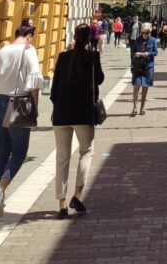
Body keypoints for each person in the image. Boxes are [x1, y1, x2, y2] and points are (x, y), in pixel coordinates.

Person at [0, 22, 44, 216]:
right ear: (29, 35)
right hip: (19, 102)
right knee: (19, 153)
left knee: (2, 152)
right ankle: (1, 188)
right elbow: (35, 82)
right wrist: (35, 107)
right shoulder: (29, 51)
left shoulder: (0, 52)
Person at [51, 24, 104, 219]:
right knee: (86, 152)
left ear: (74, 37)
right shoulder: (92, 57)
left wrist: (55, 109)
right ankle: (78, 195)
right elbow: (99, 79)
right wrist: (96, 51)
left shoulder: (63, 57)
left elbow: (55, 88)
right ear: (91, 38)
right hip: (83, 114)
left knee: (62, 159)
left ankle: (61, 205)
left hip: (62, 114)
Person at [130, 22, 158, 116]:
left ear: (150, 32)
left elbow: (155, 52)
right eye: (144, 33)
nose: (145, 35)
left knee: (145, 86)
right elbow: (132, 51)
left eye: (147, 33)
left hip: (148, 66)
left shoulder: (153, 40)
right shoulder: (137, 40)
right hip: (138, 66)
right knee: (136, 86)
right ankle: (134, 108)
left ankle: (142, 108)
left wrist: (148, 54)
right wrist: (135, 54)